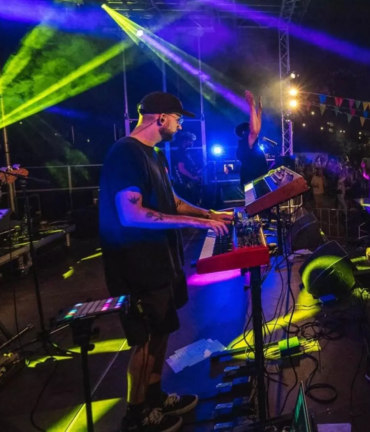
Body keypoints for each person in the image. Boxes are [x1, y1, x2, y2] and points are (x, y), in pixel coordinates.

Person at [99, 92, 232, 432]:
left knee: (161, 333)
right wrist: (198, 224)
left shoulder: (154, 155)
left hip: (161, 261)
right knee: (144, 341)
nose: (180, 123)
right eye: (177, 117)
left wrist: (210, 213)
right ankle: (136, 415)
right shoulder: (125, 153)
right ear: (160, 118)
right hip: (136, 265)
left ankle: (154, 398)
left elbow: (170, 200)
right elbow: (131, 214)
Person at [235, 92, 264, 189]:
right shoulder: (245, 143)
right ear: (245, 132)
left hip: (253, 180)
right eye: (250, 127)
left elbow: (256, 131)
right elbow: (255, 131)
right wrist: (252, 106)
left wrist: (259, 112)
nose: (252, 127)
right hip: (252, 182)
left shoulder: (248, 141)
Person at [171, 131, 201, 205]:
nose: (192, 143)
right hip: (183, 185)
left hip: (187, 185)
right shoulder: (180, 153)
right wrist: (193, 178)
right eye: (190, 140)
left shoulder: (186, 153)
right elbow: (181, 169)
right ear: (185, 141)